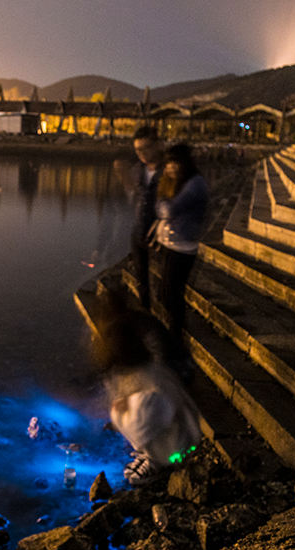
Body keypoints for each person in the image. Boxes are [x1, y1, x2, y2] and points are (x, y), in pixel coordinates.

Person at [94, 306, 201, 486]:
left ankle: (161, 460)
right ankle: (150, 453)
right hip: (162, 406)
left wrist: (128, 413)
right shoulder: (130, 339)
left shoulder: (150, 358)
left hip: (178, 431)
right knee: (126, 409)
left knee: (139, 411)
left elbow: (158, 403)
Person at [150, 143, 208, 378]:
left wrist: (161, 205)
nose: (171, 168)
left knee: (172, 297)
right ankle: (173, 345)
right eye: (169, 163)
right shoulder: (183, 183)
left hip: (182, 249)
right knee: (166, 295)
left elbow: (168, 210)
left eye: (175, 163)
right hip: (171, 245)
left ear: (184, 163)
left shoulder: (195, 185)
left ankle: (177, 351)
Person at [114, 126, 163, 307]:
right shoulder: (137, 171)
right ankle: (146, 314)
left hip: (162, 236)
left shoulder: (170, 171)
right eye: (137, 150)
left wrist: (163, 221)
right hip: (139, 231)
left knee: (165, 285)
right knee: (141, 281)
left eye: (146, 148)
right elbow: (133, 195)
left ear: (158, 145)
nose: (142, 153)